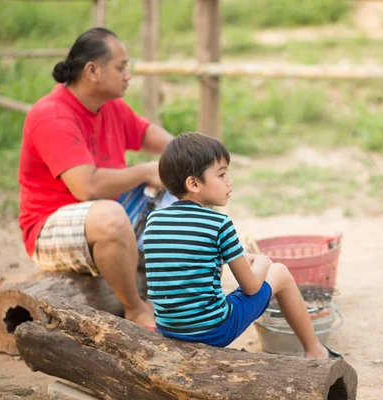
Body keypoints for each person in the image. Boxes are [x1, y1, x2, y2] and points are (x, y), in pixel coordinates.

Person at [18, 27, 174, 329]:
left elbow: (157, 140)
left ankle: (176, 299)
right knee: (111, 217)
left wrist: (195, 156)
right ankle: (136, 309)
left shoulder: (110, 106)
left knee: (188, 194)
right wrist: (145, 171)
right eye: (121, 67)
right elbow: (86, 187)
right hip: (48, 227)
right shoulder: (51, 115)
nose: (128, 75)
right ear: (92, 71)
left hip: (104, 210)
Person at [143, 132, 342, 359]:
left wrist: (229, 258)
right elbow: (251, 287)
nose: (230, 181)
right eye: (222, 174)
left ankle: (314, 349)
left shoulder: (155, 219)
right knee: (279, 272)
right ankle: (315, 351)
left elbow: (191, 265)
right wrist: (261, 262)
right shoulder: (218, 223)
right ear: (194, 183)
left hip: (169, 328)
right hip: (213, 331)